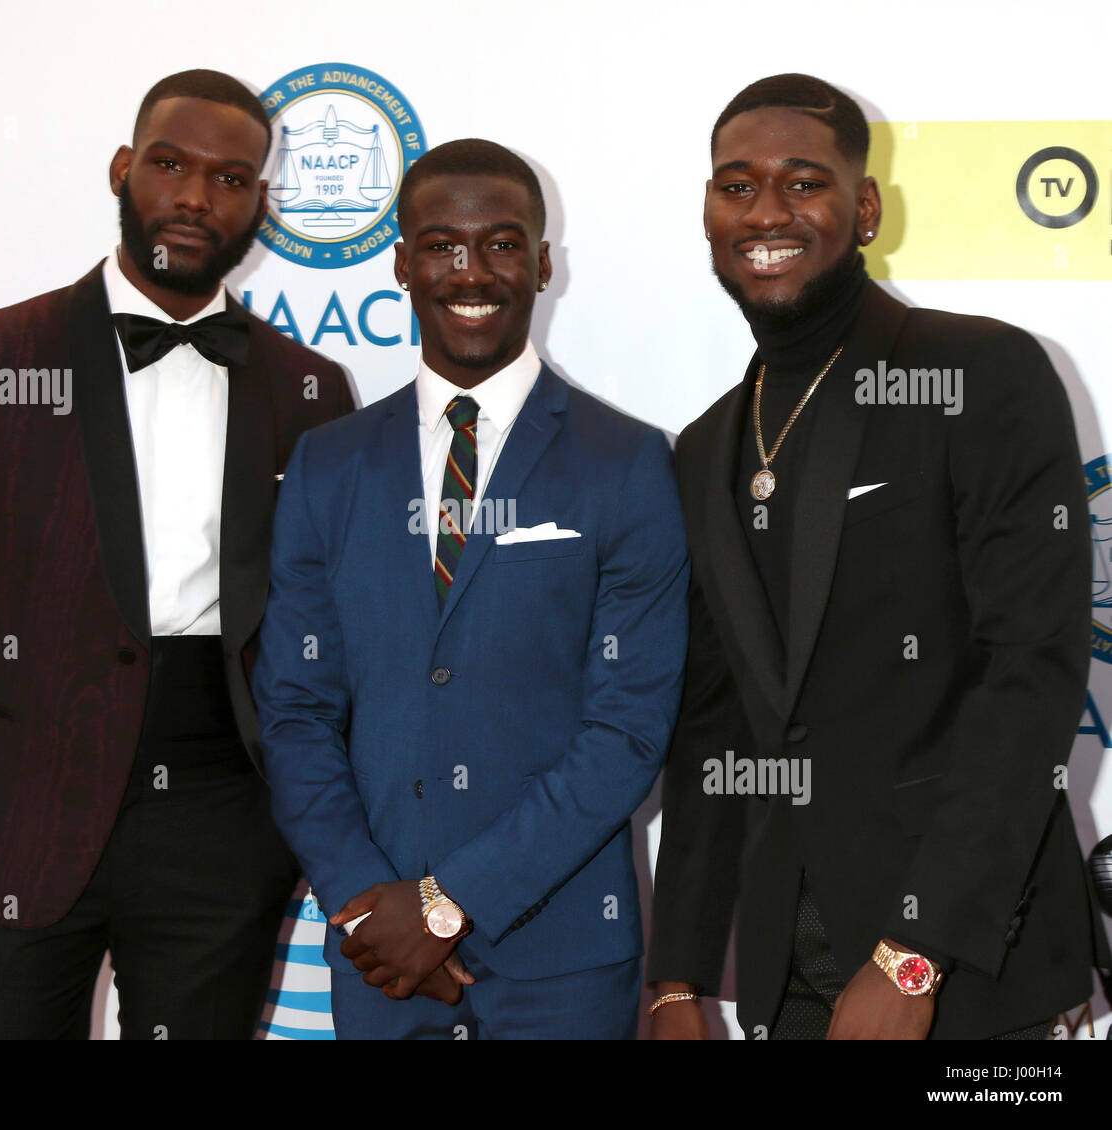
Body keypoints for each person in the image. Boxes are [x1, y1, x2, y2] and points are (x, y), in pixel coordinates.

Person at [0, 69, 354, 1039]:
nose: (195, 197)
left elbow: (330, 634)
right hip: (11, 822)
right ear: (123, 170)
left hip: (223, 824)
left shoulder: (307, 387)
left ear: (261, 202)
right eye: (170, 164)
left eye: (229, 177)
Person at [649, 73, 1109, 1040]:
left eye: (802, 182)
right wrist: (679, 977)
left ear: (865, 210)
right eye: (735, 186)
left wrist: (914, 956)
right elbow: (713, 726)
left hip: (971, 965)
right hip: (787, 970)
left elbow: (1030, 676)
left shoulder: (985, 374)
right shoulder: (704, 445)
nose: (765, 210)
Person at [252, 138, 689, 1039]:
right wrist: (372, 908)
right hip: (378, 957)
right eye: (442, 245)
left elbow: (629, 729)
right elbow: (294, 711)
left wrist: (449, 905)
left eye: (501, 242)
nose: (471, 270)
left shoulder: (628, 461)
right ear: (402, 263)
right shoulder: (328, 466)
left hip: (561, 959)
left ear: (542, 263)